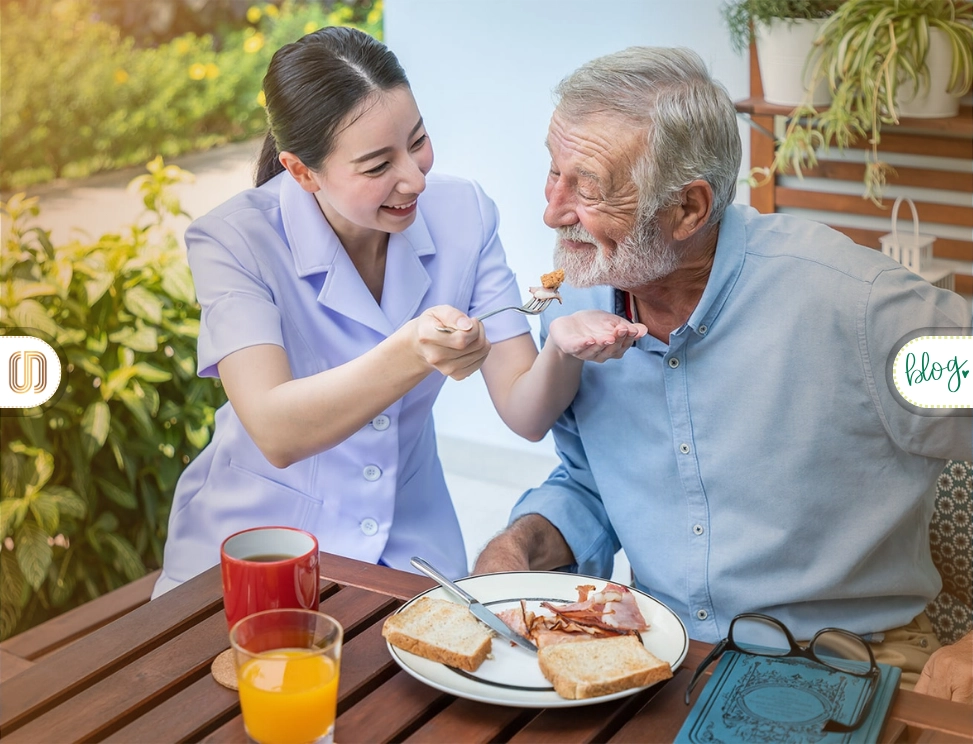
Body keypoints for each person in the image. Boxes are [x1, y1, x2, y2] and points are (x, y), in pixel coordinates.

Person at [473, 46, 973, 695]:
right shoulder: (575, 304)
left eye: (587, 188)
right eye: (552, 172)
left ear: (687, 209)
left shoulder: (861, 310)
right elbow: (592, 484)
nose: (551, 210)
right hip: (661, 657)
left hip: (858, 664)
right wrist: (515, 551)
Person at [152, 27, 645, 598]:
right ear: (301, 171)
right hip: (257, 546)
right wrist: (412, 351)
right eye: (376, 165)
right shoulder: (234, 239)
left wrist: (561, 348)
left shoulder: (465, 213)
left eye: (418, 141)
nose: (414, 179)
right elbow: (276, 431)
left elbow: (525, 411)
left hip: (409, 550)